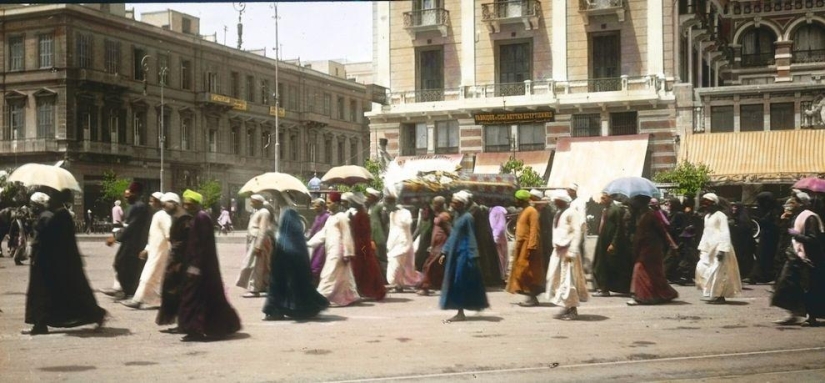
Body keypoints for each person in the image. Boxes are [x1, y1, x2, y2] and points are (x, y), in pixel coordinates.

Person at [24, 191, 106, 335]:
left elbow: (47, 239)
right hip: (51, 261)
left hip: (47, 262)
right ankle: (40, 323)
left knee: (46, 292)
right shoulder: (57, 214)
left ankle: (40, 324)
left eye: (33, 205)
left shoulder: (53, 216)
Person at [176, 189, 241, 341]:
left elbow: (202, 245)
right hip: (198, 265)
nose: (186, 206)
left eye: (189, 204)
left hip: (202, 267)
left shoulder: (201, 217)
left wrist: (195, 266)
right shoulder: (195, 217)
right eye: (185, 204)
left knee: (195, 297)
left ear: (196, 204)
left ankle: (195, 328)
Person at [263, 208, 330, 320]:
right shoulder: (299, 241)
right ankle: (304, 309)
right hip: (298, 275)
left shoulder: (283, 240)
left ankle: (276, 311)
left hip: (282, 274)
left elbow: (279, 257)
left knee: (278, 289)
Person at [771, 192, 825, 326]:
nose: (789, 203)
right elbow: (786, 233)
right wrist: (784, 221)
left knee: (808, 288)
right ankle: (793, 314)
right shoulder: (796, 216)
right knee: (787, 285)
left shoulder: (810, 217)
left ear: (801, 203)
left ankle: (810, 316)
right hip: (794, 255)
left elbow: (813, 239)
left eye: (793, 201)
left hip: (807, 258)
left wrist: (796, 235)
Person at [439, 191, 489, 323]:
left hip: (464, 254)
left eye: (455, 203)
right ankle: (460, 311)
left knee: (459, 282)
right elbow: (453, 236)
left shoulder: (468, 218)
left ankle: (460, 312)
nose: (452, 205)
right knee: (455, 281)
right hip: (455, 255)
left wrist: (473, 255)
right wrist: (445, 251)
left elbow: (471, 237)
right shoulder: (457, 217)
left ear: (461, 204)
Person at [307, 191, 361, 307]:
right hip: (331, 249)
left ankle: (320, 297)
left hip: (339, 251)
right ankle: (350, 297)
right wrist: (308, 243)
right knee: (344, 276)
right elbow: (323, 234)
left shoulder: (342, 217)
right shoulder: (331, 218)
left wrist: (348, 252)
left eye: (329, 202)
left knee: (329, 274)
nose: (328, 205)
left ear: (336, 203)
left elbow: (347, 235)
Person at [627, 195, 679, 305]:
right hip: (644, 246)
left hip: (651, 248)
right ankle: (664, 294)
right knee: (653, 273)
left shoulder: (651, 215)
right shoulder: (641, 215)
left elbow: (662, 230)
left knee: (640, 269)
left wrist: (671, 244)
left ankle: (641, 296)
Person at [123, 192, 171, 309]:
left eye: (152, 201)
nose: (150, 203)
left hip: (161, 252)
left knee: (149, 275)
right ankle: (154, 300)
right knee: (153, 276)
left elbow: (168, 234)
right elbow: (153, 236)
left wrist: (171, 251)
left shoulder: (162, 215)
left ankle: (137, 300)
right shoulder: (157, 215)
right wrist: (147, 249)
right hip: (155, 251)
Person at [545, 191, 589, 320]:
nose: (554, 203)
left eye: (557, 201)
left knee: (568, 281)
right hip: (558, 251)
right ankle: (566, 306)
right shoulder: (558, 213)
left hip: (568, 252)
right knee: (556, 279)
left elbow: (576, 232)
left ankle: (572, 309)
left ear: (563, 201)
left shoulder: (572, 213)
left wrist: (572, 251)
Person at [105, 182, 151, 299]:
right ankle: (126, 290)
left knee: (122, 264)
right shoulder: (134, 206)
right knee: (122, 264)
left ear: (136, 193)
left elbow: (132, 226)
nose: (126, 198)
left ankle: (128, 291)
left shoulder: (139, 207)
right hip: (129, 242)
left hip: (134, 243)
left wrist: (115, 238)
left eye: (128, 195)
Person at [695, 193, 742, 304]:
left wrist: (722, 249)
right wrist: (702, 248)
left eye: (708, 203)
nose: (705, 205)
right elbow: (706, 233)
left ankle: (720, 296)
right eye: (704, 203)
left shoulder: (720, 215)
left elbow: (725, 232)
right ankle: (713, 293)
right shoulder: (707, 216)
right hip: (708, 248)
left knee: (719, 272)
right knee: (703, 269)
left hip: (719, 247)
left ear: (714, 204)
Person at [155, 192, 191, 332]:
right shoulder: (178, 217)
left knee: (176, 291)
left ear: (174, 203)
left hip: (180, 261)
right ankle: (181, 323)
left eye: (166, 204)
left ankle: (183, 324)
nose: (164, 207)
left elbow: (184, 241)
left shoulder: (183, 218)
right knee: (173, 291)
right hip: (177, 260)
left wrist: (176, 259)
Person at [507, 190, 545, 307]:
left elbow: (534, 229)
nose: (515, 201)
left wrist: (532, 246)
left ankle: (532, 297)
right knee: (521, 271)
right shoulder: (524, 211)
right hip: (521, 245)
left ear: (522, 200)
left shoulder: (531, 211)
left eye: (517, 199)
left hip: (528, 246)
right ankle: (530, 297)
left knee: (528, 272)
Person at [346, 193, 387, 301]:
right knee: (363, 266)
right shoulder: (360, 214)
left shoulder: (362, 215)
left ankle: (368, 290)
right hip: (360, 244)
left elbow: (361, 231)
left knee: (365, 265)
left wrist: (352, 222)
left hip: (363, 246)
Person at [592, 192, 633, 297]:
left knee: (606, 266)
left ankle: (605, 289)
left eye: (603, 198)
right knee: (599, 264)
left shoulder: (616, 210)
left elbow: (619, 228)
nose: (601, 200)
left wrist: (613, 243)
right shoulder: (606, 210)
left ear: (609, 198)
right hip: (603, 240)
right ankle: (602, 287)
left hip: (610, 242)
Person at [236, 194, 273, 298]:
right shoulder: (257, 212)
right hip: (253, 240)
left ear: (258, 202)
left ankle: (254, 290)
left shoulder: (264, 213)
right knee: (257, 265)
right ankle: (262, 286)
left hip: (257, 242)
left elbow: (263, 229)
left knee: (255, 265)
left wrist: (258, 245)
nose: (251, 203)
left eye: (253, 201)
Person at [384, 190, 420, 292]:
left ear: (393, 203)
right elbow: (391, 229)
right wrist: (389, 244)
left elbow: (408, 223)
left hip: (403, 243)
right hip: (394, 243)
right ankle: (398, 285)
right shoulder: (391, 214)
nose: (386, 207)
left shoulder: (405, 212)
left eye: (387, 204)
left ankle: (394, 282)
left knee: (396, 265)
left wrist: (398, 210)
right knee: (399, 266)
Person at [418, 211, 452, 296]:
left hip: (441, 248)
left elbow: (450, 231)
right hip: (436, 248)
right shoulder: (437, 216)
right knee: (436, 266)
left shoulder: (444, 216)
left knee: (429, 266)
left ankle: (425, 287)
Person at [752, 191, 780, 283]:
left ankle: (768, 276)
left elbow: (775, 225)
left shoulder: (776, 211)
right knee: (761, 255)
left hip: (772, 237)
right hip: (766, 236)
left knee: (768, 256)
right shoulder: (766, 210)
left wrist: (761, 221)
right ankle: (758, 275)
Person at [730, 202, 756, 280]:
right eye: (733, 207)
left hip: (744, 242)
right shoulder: (735, 218)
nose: (733, 209)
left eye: (735, 207)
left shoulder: (743, 219)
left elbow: (743, 229)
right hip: (737, 242)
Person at [307, 198, 330, 286]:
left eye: (317, 206)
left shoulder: (327, 217)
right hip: (315, 243)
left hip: (322, 244)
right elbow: (313, 229)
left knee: (318, 263)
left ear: (323, 206)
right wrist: (308, 237)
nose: (315, 208)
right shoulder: (317, 217)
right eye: (314, 206)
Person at [368, 188, 389, 280]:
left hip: (379, 236)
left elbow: (384, 220)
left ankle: (385, 278)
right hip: (373, 236)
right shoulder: (371, 207)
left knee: (382, 258)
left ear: (374, 197)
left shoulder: (380, 206)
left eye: (370, 196)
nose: (368, 198)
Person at [489, 205, 509, 282]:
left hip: (497, 236)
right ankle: (502, 275)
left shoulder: (495, 211)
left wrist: (495, 236)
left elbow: (498, 225)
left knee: (500, 257)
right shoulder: (499, 210)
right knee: (503, 257)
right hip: (500, 236)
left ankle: (501, 275)